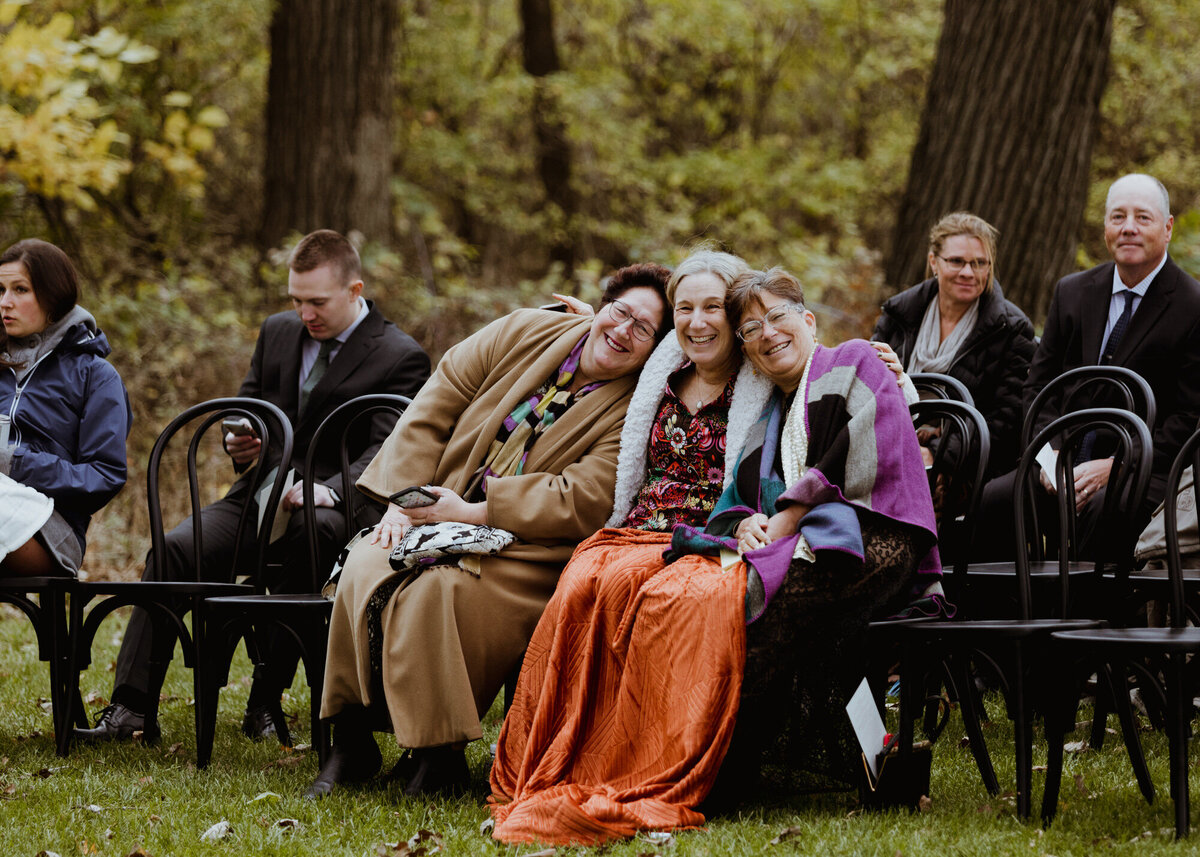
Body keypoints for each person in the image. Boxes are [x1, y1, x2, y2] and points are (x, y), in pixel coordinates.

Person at [489, 267, 941, 844]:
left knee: (743, 605)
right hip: (804, 539)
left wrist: (785, 518)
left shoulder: (851, 360)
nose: (767, 333)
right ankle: (707, 760)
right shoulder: (772, 411)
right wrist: (749, 522)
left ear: (808, 320)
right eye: (751, 328)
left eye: (777, 317)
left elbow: (855, 458)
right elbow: (742, 494)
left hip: (874, 539)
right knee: (708, 600)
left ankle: (723, 766)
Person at [305, 263, 673, 799]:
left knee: (437, 590)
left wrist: (475, 512)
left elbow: (586, 495)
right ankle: (352, 739)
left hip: (526, 552)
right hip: (432, 510)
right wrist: (402, 499)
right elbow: (442, 394)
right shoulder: (526, 329)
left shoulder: (638, 407)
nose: (622, 331)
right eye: (620, 312)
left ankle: (438, 755)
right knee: (366, 562)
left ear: (656, 346)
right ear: (604, 305)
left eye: (643, 329)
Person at [77, 229, 430, 745]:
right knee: (176, 549)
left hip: (336, 506)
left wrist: (329, 490)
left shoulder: (400, 355)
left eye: (317, 302)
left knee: (316, 530)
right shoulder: (279, 332)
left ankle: (265, 700)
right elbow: (249, 407)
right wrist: (240, 440)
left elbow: (390, 446)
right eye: (295, 300)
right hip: (260, 497)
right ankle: (132, 706)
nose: (304, 313)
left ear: (355, 291)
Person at [489, 249, 773, 843]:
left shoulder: (766, 376)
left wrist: (893, 375)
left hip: (713, 534)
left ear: (736, 312)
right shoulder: (660, 376)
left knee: (675, 595)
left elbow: (822, 369)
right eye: (685, 309)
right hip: (637, 526)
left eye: (713, 308)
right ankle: (564, 752)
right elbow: (588, 343)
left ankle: (638, 764)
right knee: (584, 581)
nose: (697, 322)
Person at [977, 174, 1200, 560]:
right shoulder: (1073, 291)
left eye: (1142, 218)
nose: (1128, 227)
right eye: (1117, 217)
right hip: (1062, 457)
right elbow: (1038, 386)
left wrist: (1115, 467)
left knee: (1104, 511)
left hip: (1144, 468)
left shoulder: (1192, 305)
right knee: (993, 502)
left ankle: (1084, 617)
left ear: (1167, 228)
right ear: (1105, 229)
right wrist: (1051, 456)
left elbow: (1188, 416)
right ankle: (1002, 615)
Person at [0, 239, 132, 577]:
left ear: (53, 296)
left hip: (52, 531)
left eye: (20, 290)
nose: (6, 303)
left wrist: (15, 464)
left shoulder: (94, 376)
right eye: (0, 290)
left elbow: (105, 475)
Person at [871, 211, 1036, 474]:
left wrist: (936, 453)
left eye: (980, 263)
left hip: (962, 464)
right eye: (957, 261)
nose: (968, 272)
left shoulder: (1012, 330)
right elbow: (870, 387)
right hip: (889, 440)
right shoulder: (899, 313)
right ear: (934, 262)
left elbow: (1005, 422)